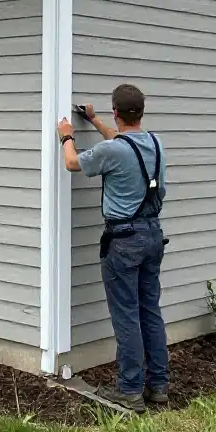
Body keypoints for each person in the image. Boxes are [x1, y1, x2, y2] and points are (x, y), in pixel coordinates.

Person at [57, 83, 168, 412]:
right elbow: (120, 142)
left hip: (124, 240)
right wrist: (94, 121)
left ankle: (130, 390)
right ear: (141, 113)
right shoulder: (155, 143)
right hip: (153, 234)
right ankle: (158, 385)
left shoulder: (113, 151)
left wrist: (66, 136)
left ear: (116, 111)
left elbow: (72, 163)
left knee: (127, 315)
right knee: (150, 311)